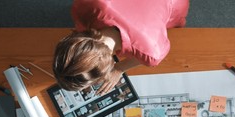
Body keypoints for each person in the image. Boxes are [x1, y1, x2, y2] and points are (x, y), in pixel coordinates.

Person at [53, 0, 190, 94]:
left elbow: (144, 57)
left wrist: (119, 69)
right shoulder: (86, 6)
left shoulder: (151, 52)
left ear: (109, 66)